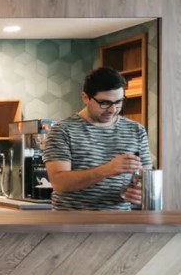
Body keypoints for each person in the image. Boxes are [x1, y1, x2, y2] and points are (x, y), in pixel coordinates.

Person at [43, 67, 152, 211]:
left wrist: (141, 190)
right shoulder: (62, 130)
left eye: (119, 102)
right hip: (71, 225)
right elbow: (59, 182)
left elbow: (146, 176)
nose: (113, 110)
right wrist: (106, 170)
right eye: (105, 103)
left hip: (121, 224)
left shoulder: (136, 130)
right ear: (85, 98)